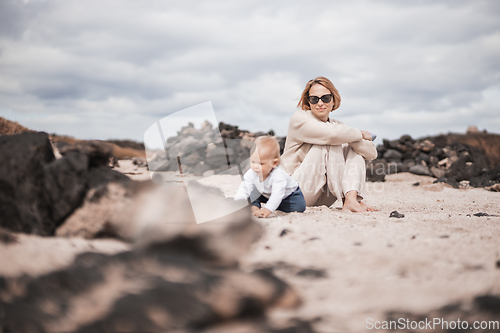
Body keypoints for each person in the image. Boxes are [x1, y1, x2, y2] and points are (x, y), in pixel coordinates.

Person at [281, 76, 378, 212]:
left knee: (352, 147)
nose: (320, 103)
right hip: (296, 191)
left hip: (325, 196)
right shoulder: (299, 119)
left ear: (333, 100)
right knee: (328, 142)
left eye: (325, 98)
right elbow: (331, 135)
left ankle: (351, 198)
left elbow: (371, 153)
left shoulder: (338, 127)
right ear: (308, 102)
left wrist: (351, 140)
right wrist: (360, 134)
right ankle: (349, 200)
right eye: (314, 99)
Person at [234, 136, 306, 218]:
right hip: (265, 193)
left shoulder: (278, 175)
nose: (255, 166)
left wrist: (268, 209)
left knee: (299, 207)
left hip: (288, 196)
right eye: (253, 162)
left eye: (261, 163)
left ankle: (274, 205)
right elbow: (244, 189)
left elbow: (277, 194)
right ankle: (255, 206)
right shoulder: (251, 173)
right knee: (251, 191)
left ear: (274, 163)